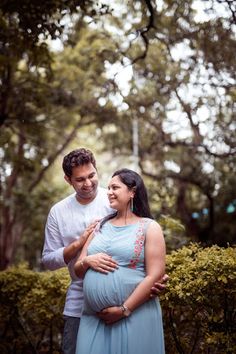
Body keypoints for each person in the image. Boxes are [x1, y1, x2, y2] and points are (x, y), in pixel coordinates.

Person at [42, 148, 168, 354]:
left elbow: (143, 245)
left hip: (130, 306)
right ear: (68, 180)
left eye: (92, 175)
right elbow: (48, 260)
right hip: (80, 304)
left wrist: (155, 278)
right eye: (80, 179)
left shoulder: (114, 199)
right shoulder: (58, 212)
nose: (89, 183)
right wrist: (79, 245)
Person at [74, 168, 166, 354]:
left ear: (132, 191)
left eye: (115, 187)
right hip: (93, 319)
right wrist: (87, 261)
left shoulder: (149, 227)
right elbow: (78, 268)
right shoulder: (100, 226)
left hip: (134, 315)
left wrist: (124, 309)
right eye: (108, 188)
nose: (109, 192)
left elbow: (155, 274)